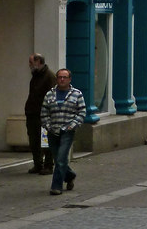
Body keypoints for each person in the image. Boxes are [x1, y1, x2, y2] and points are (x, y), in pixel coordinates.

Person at [40, 67, 86, 196]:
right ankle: (70, 175)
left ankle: (56, 186)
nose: (62, 79)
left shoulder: (77, 94)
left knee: (61, 158)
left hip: (67, 131)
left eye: (64, 77)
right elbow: (44, 112)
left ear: (69, 79)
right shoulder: (50, 94)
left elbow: (81, 112)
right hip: (52, 131)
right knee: (58, 158)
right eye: (60, 77)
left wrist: (73, 125)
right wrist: (48, 125)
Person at [25, 53, 56, 174]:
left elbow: (51, 97)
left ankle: (48, 165)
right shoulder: (36, 76)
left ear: (38, 62)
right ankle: (38, 163)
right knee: (34, 140)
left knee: (45, 141)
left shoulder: (49, 76)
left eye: (31, 62)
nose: (29, 65)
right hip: (33, 113)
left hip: (43, 115)